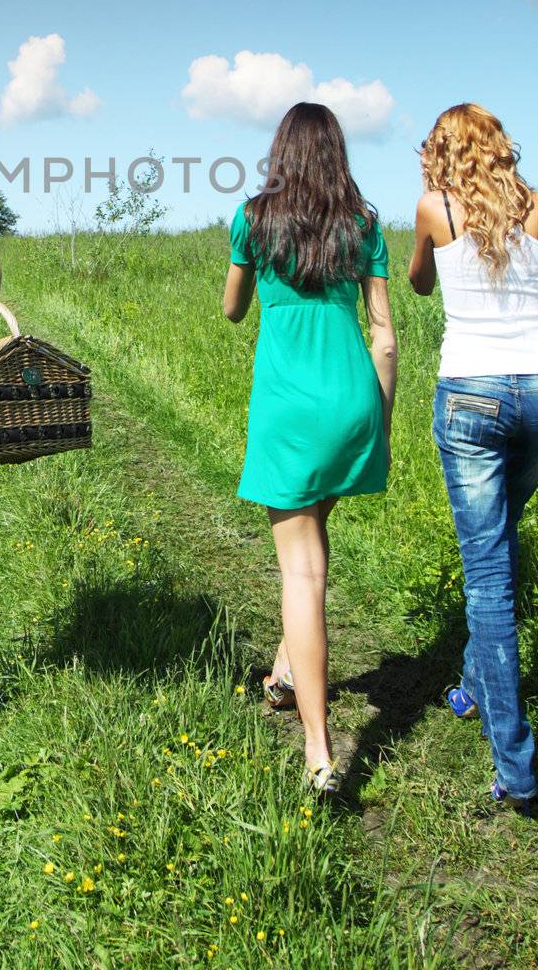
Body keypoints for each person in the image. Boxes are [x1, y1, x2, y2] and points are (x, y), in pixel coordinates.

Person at [407, 103, 538, 813]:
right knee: (500, 540)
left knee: (488, 575)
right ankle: (471, 686)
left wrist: (431, 253)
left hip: (471, 397)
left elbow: (421, 283)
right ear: (502, 147)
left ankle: (516, 768)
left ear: (443, 151)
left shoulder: (436, 210)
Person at [222, 103, 397, 794]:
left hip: (289, 411)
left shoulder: (253, 219)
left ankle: (319, 751)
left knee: (303, 574)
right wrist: (380, 418)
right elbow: (383, 335)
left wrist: (251, 281)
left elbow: (234, 309)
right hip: (352, 401)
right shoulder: (363, 224)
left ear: (281, 153)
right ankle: (285, 674)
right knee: (314, 536)